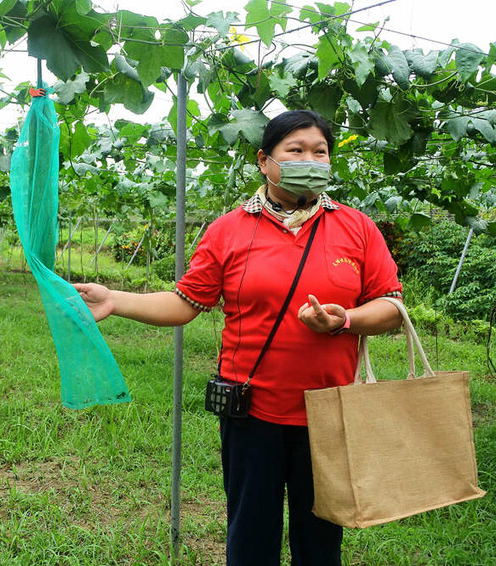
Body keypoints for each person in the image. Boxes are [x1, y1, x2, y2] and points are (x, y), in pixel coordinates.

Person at [74, 110, 403, 566]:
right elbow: (186, 302)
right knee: (250, 536)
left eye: (320, 152)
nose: (310, 160)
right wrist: (115, 300)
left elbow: (391, 307)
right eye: (296, 150)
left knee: (321, 541)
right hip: (252, 412)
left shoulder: (356, 227)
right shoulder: (229, 230)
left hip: (330, 413)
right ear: (265, 161)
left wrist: (344, 319)